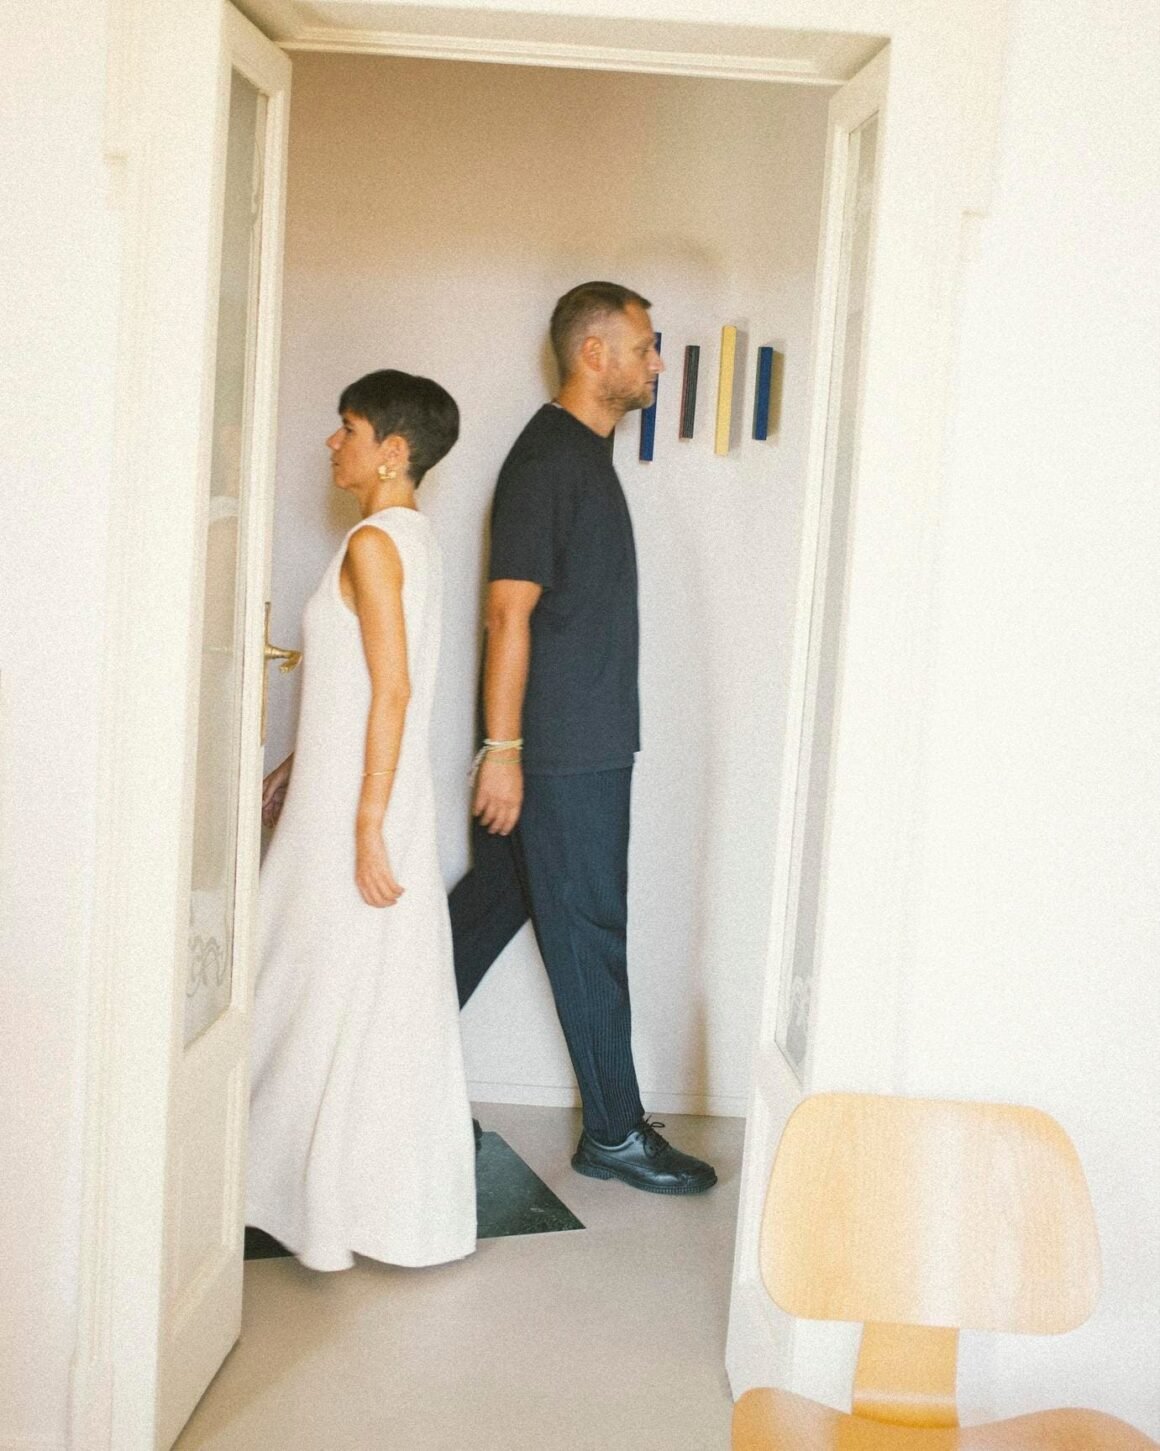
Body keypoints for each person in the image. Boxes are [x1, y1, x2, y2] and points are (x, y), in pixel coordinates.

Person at [449, 282, 717, 1195]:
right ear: (592, 354)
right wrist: (505, 752)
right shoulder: (548, 460)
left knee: (483, 914)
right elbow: (508, 613)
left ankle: (371, 1070)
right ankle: (613, 1133)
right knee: (590, 930)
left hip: (569, 745)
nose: (656, 362)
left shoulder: (581, 456)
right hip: (559, 755)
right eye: (644, 346)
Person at [248, 369, 476, 1270]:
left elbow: (394, 689)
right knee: (324, 975)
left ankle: (277, 1186)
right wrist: (297, 765)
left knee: (307, 973)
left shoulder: (376, 544)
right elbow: (357, 683)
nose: (331, 442)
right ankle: (299, 1188)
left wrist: (366, 822)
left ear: (393, 449)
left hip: (358, 806)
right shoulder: (411, 539)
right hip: (349, 791)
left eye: (347, 427)